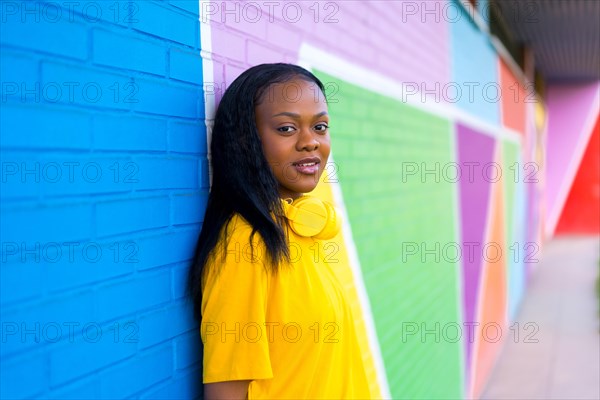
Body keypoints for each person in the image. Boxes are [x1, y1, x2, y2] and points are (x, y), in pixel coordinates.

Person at [188, 63, 371, 399]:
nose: (310, 142)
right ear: (247, 140)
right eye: (287, 128)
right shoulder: (245, 244)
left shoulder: (297, 225)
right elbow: (226, 390)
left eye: (320, 126)